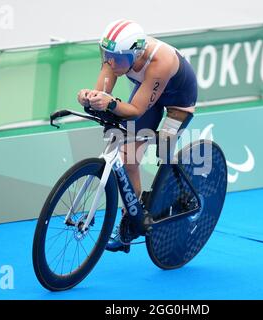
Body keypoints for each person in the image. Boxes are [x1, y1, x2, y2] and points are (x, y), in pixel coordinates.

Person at [77, 19, 198, 252]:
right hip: (150, 93)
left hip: (179, 102)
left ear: (136, 53)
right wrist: (90, 98)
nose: (110, 63)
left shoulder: (160, 62)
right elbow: (103, 93)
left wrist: (110, 103)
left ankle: (180, 190)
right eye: (106, 55)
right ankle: (131, 219)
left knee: (163, 146)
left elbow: (135, 111)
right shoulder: (116, 55)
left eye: (118, 59)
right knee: (128, 155)